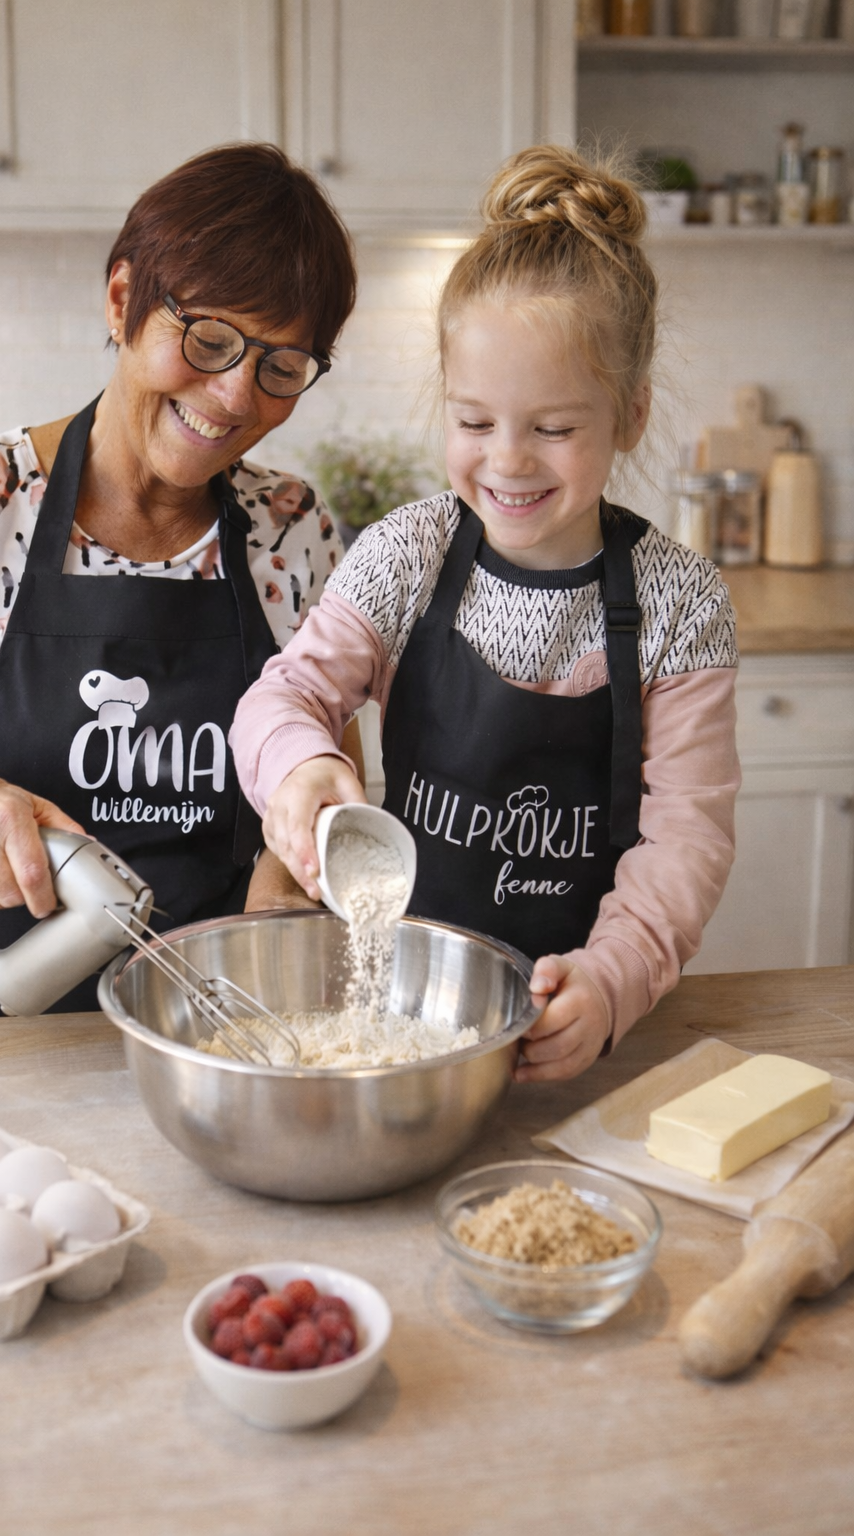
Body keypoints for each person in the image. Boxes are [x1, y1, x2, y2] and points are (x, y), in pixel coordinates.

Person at [231, 144, 741, 1083]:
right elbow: (283, 696)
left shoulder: (682, 603)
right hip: (404, 1024)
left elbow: (687, 840)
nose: (508, 460)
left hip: (581, 1027)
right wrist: (299, 766)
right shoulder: (407, 556)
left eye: (554, 428)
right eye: (474, 422)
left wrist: (611, 981)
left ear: (630, 415)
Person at [0, 142, 359, 1023]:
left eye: (280, 367)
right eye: (210, 339)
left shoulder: (290, 530)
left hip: (197, 1039)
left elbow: (319, 801)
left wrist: (284, 896)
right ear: (123, 302)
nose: (235, 397)